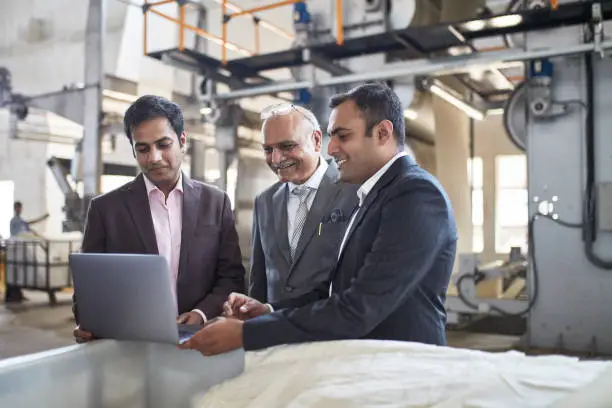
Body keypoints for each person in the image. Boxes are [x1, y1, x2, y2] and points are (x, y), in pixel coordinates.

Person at [179, 82, 458, 356]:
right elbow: (337, 290)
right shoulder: (375, 194)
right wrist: (268, 311)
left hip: (405, 367)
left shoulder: (415, 194)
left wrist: (246, 334)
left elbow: (359, 307)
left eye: (343, 136)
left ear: (383, 132)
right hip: (367, 360)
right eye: (332, 136)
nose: (332, 148)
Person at [73, 95, 246, 342]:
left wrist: (200, 313)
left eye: (163, 144)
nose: (154, 157)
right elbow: (88, 287)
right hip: (129, 343)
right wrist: (86, 321)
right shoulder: (106, 209)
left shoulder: (215, 203)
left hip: (200, 340)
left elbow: (231, 276)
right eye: (143, 149)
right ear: (133, 150)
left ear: (182, 141)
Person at [248, 103, 358, 312]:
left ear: (316, 140)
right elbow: (259, 282)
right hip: (275, 336)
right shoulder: (264, 201)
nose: (276, 159)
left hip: (334, 336)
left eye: (287, 146)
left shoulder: (355, 193)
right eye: (268, 149)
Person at [6, 202, 49, 302]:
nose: (19, 210)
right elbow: (25, 228)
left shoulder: (20, 220)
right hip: (16, 251)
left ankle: (19, 294)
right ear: (15, 208)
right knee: (14, 272)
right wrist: (42, 218)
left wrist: (40, 236)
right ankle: (13, 295)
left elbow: (29, 228)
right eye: (18, 208)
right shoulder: (14, 221)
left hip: (21, 251)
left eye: (20, 208)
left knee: (20, 273)